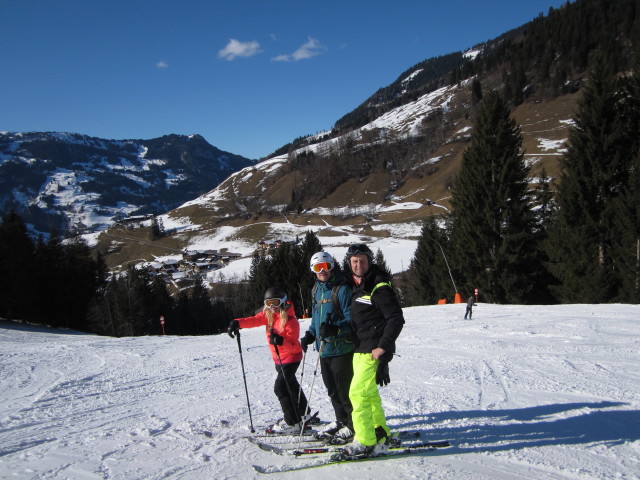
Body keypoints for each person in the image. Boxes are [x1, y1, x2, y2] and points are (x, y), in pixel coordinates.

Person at [341, 244, 405, 456]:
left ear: (370, 262)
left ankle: (366, 441)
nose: (359, 265)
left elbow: (396, 318)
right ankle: (381, 433)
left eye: (362, 261)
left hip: (371, 350)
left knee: (357, 394)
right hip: (360, 349)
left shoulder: (379, 286)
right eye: (354, 261)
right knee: (369, 395)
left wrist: (383, 347)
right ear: (349, 263)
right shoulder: (359, 286)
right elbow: (364, 319)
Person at [227, 287, 309, 433]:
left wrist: (281, 341)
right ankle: (304, 413)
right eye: (268, 303)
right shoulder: (268, 315)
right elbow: (253, 320)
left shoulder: (291, 321)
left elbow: (294, 346)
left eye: (275, 303)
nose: (272, 307)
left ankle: (292, 422)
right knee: (291, 385)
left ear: (283, 302)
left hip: (291, 358)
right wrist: (237, 323)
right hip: (278, 359)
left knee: (280, 388)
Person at [300, 251, 354, 443]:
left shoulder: (342, 290)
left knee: (344, 390)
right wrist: (310, 334)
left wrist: (336, 330)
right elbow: (316, 318)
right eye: (317, 268)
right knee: (331, 390)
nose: (322, 271)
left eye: (325, 267)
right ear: (313, 271)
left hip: (342, 349)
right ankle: (341, 421)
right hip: (323, 349)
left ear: (332, 267)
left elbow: (352, 320)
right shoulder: (315, 290)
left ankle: (352, 425)